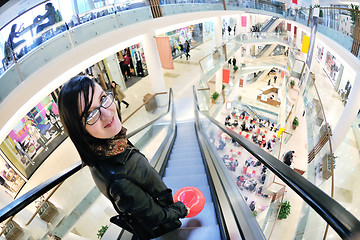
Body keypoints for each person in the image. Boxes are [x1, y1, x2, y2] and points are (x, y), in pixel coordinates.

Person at [58, 76, 188, 239]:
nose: (107, 114)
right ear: (79, 129)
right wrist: (179, 210)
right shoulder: (117, 179)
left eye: (103, 98)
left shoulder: (112, 143)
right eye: (91, 115)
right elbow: (155, 216)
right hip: (166, 224)